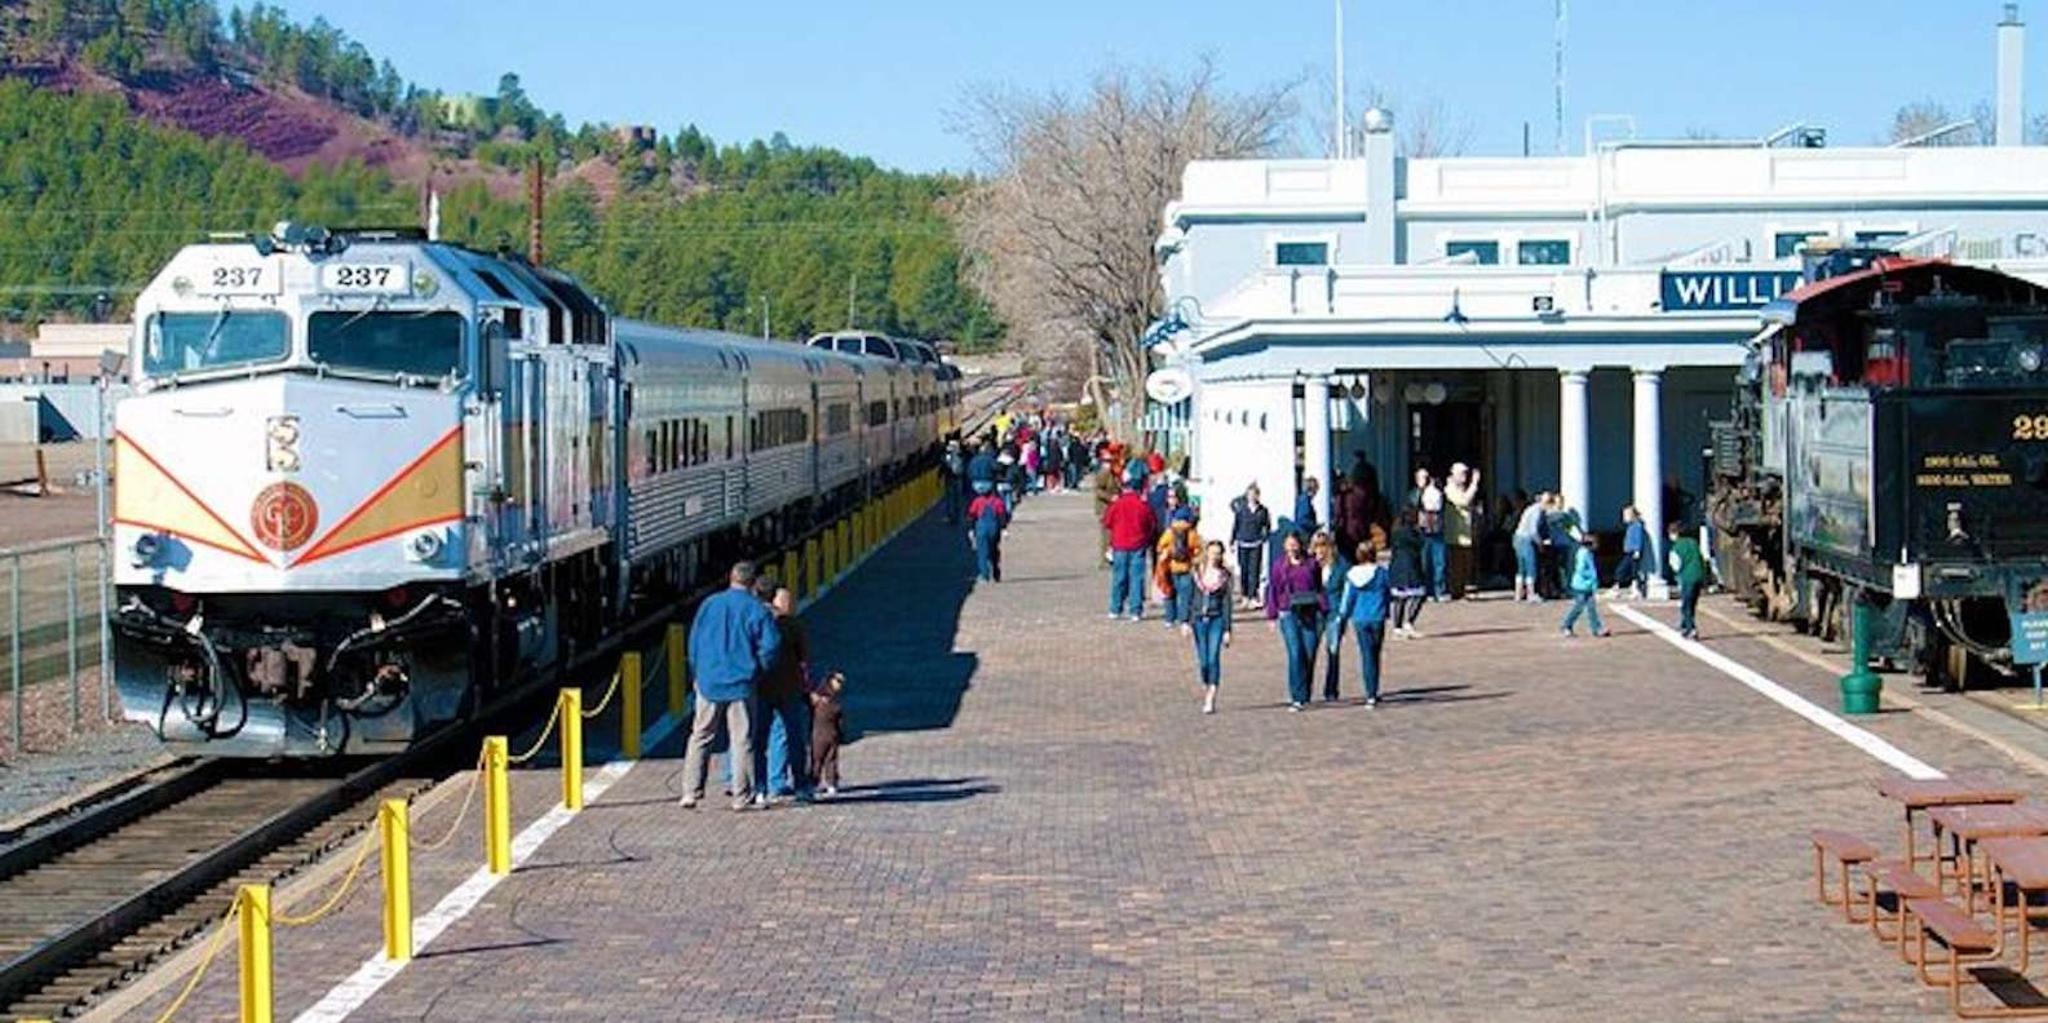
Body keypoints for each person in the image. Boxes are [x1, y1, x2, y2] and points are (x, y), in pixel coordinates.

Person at [681, 561, 783, 811]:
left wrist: (698, 671)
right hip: (741, 683)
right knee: (742, 740)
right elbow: (771, 646)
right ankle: (741, 796)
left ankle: (690, 793)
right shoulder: (756, 609)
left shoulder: (709, 605)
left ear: (731, 578)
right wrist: (758, 669)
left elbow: (694, 642)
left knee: (700, 736)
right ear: (752, 583)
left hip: (709, 681)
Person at [752, 583, 812, 803]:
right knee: (793, 736)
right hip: (789, 687)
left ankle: (760, 787)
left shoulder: (753, 621)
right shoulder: (793, 624)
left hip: (760, 687)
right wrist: (807, 686)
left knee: (758, 739)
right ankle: (800, 786)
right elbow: (804, 659)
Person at [1265, 530, 1324, 712]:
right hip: (1288, 611)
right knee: (1295, 653)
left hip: (1310, 611)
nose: (1291, 548)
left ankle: (1305, 691)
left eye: (1294, 544)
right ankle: (1296, 696)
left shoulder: (1312, 564)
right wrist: (1272, 614)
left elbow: (1319, 587)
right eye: (1288, 544)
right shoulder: (1279, 566)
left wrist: (1325, 609)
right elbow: (1273, 589)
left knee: (1309, 653)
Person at [1335, 539, 1391, 707]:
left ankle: (1370, 693)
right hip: (1377, 616)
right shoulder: (1381, 573)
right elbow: (1388, 593)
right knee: (1375, 654)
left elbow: (1348, 599)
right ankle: (1373, 689)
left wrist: (1342, 617)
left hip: (1359, 618)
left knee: (1366, 655)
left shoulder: (1352, 574)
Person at [1188, 540, 1235, 714]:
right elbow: (1189, 597)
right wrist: (1185, 620)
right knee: (1203, 661)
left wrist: (1228, 629)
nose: (1214, 556)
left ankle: (1212, 693)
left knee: (1213, 656)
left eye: (1218, 553)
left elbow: (1227, 603)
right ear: (1206, 553)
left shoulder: (1224, 575)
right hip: (1199, 620)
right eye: (1212, 552)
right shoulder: (1197, 572)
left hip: (1216, 619)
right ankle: (1207, 682)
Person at [1103, 481, 1158, 620]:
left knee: (1119, 577)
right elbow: (1151, 524)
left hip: (1120, 544)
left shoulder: (1117, 504)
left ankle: (1115, 608)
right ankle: (1135, 610)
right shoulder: (1142, 505)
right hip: (1138, 544)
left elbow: (1107, 522)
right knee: (1137, 578)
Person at [1312, 530, 1350, 702]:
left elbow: (1346, 590)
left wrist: (1343, 613)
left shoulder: (1341, 565)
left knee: (1333, 651)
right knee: (1309, 651)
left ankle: (1331, 689)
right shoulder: (1310, 565)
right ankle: (1304, 688)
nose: (1319, 551)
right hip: (1315, 612)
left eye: (1322, 546)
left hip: (1334, 612)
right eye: (1316, 547)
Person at [1154, 499, 1201, 628]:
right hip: (1186, 568)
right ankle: (1184, 619)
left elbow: (1159, 547)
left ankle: (1170, 618)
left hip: (1170, 568)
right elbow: (1198, 549)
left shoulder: (1169, 532)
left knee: (1169, 594)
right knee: (1186, 596)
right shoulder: (1192, 534)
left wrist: (1167, 552)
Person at [1228, 484, 1272, 609]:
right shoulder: (1241, 509)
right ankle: (1245, 595)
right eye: (1250, 494)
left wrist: (1264, 537)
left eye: (1254, 494)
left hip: (1256, 543)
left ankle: (1253, 596)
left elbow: (1267, 525)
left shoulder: (1263, 510)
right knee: (1244, 570)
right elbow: (1236, 525)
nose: (1252, 497)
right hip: (1242, 542)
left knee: (1255, 570)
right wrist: (1232, 540)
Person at [1387, 510, 1428, 639]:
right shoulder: (1410, 532)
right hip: (1410, 567)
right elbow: (1421, 543)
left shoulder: (1395, 531)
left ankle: (1397, 627)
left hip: (1396, 566)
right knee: (1419, 594)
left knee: (1400, 598)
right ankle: (1408, 623)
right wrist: (1422, 530)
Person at [1559, 532, 1609, 638]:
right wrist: (1592, 577)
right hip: (1581, 585)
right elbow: (1581, 569)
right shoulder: (1584, 553)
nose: (1597, 545)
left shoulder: (1587, 553)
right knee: (1578, 607)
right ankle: (1566, 625)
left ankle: (1596, 628)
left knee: (1591, 608)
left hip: (1587, 585)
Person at [1411, 468, 1448, 602]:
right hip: (1423, 531)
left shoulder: (1437, 491)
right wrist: (1420, 490)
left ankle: (1440, 590)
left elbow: (1441, 505)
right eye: (1422, 478)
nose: (1425, 480)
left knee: (1440, 562)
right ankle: (1427, 590)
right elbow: (1413, 505)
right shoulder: (1415, 494)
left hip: (1437, 530)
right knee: (1425, 562)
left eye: (1426, 477)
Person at [1444, 463, 1480, 598]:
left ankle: (1465, 589)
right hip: (1455, 536)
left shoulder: (1463, 488)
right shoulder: (1449, 489)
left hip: (1466, 534)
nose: (1465, 477)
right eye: (1462, 473)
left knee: (1467, 565)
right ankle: (1456, 590)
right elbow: (1463, 501)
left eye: (1466, 473)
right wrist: (1474, 484)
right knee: (1456, 566)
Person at [807, 670, 846, 798]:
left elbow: (840, 719)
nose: (840, 685)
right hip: (819, 734)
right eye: (838, 681)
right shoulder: (818, 698)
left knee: (831, 760)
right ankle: (813, 784)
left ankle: (832, 784)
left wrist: (841, 733)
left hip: (832, 735)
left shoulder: (835, 699)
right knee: (817, 760)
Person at [1668, 521, 1708, 639]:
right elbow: (1702, 557)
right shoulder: (1693, 542)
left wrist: (1676, 575)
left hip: (1687, 577)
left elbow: (1676, 565)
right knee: (1693, 603)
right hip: (1699, 575)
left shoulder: (1676, 547)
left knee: (1686, 604)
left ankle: (1691, 628)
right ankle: (1684, 624)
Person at [966, 486, 1010, 582]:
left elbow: (971, 516)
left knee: (982, 553)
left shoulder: (977, 501)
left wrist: (971, 529)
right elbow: (1002, 516)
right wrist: (1004, 529)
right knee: (994, 550)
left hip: (981, 529)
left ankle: (984, 575)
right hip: (994, 528)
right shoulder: (998, 502)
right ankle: (996, 571)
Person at [1513, 492, 1546, 603]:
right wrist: (1540, 543)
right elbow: (1533, 531)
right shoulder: (1537, 511)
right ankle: (1531, 593)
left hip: (1517, 538)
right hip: (1525, 540)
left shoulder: (1530, 509)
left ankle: (1518, 593)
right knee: (1531, 566)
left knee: (1521, 567)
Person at [1614, 504, 1649, 600]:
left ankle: (1633, 589)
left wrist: (1637, 550)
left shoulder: (1637, 526)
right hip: (1629, 551)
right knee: (1631, 571)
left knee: (1627, 570)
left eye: (1625, 515)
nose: (1624, 518)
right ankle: (1632, 588)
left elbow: (1637, 538)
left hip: (1632, 552)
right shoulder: (1631, 526)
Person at [1093, 461, 1122, 566]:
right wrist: (1110, 497)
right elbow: (1097, 490)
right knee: (1107, 534)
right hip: (1105, 507)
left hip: (1116, 507)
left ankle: (1112, 556)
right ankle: (1105, 559)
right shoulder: (1105, 473)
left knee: (1114, 533)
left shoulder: (1118, 473)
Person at [941, 438, 966, 525]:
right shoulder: (961, 454)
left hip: (949, 479)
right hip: (959, 478)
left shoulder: (947, 456)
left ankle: (950, 516)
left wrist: (940, 477)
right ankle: (958, 516)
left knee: (950, 498)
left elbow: (943, 467)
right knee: (957, 498)